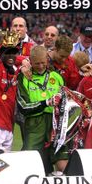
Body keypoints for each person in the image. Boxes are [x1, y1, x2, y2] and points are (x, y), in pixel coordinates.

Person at [16, 46, 67, 174]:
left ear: (47, 60)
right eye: (37, 63)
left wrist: (61, 100)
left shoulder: (57, 77)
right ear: (30, 62)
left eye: (43, 63)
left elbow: (67, 100)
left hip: (56, 125)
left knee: (63, 162)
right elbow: (23, 107)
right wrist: (46, 103)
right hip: (35, 124)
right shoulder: (24, 78)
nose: (40, 66)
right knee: (29, 162)